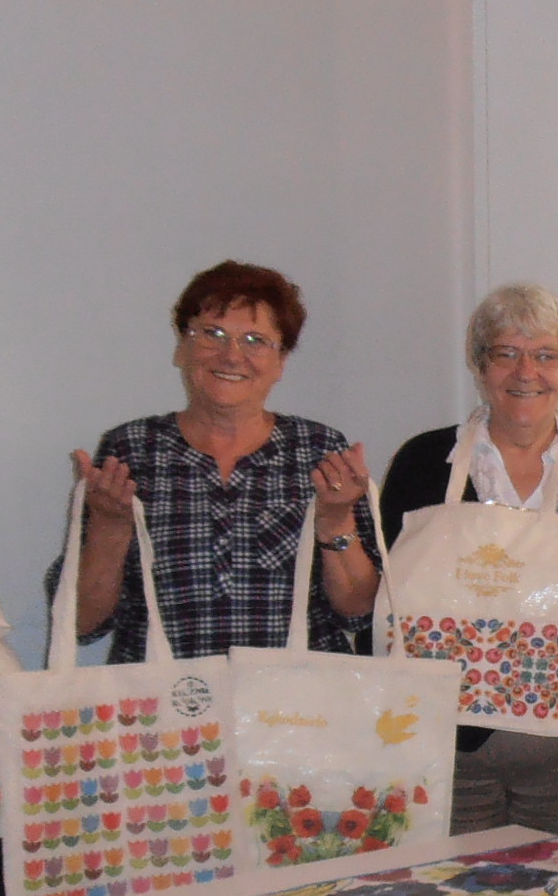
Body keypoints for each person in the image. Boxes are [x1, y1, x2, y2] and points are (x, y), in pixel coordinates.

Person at [378, 283, 558, 847]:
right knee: (451, 893)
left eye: (545, 355)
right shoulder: (422, 464)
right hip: (444, 748)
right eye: (506, 353)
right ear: (480, 365)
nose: (526, 372)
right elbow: (382, 599)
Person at [66, 261, 379, 661]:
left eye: (255, 340)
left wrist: (335, 521)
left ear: (281, 362)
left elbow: (359, 612)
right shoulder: (131, 450)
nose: (232, 355)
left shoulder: (319, 449)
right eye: (212, 334)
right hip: (163, 695)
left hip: (296, 696)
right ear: (183, 347)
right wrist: (110, 528)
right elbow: (82, 622)